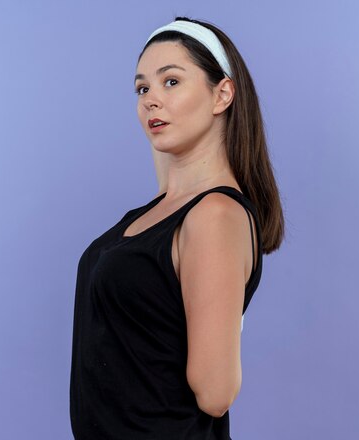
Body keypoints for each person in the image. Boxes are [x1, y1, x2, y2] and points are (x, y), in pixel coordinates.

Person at [70, 16, 285, 440]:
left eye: (171, 82)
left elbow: (215, 394)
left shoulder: (215, 216)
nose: (150, 100)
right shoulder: (160, 212)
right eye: (141, 88)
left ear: (222, 93)